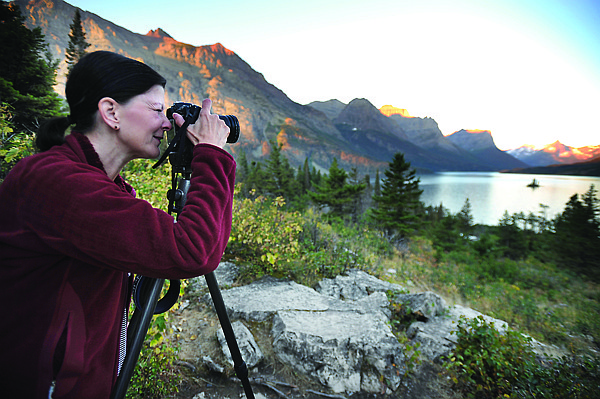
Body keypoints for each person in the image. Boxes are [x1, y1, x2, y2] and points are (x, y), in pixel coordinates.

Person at [0, 51, 236, 398]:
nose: (168, 123)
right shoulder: (59, 183)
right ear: (111, 112)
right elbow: (192, 250)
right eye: (157, 110)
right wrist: (211, 156)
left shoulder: (101, 186)